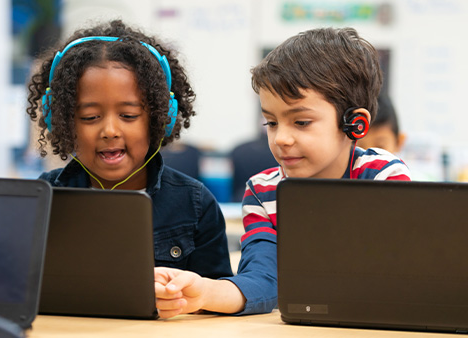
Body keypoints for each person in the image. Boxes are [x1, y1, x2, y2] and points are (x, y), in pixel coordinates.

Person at [154, 27, 411, 318]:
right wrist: (205, 292)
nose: (281, 139)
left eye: (301, 122)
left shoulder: (382, 176)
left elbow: (396, 274)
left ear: (355, 124)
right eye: (271, 123)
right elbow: (263, 279)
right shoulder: (263, 192)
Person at [25, 19, 232, 280]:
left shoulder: (195, 204)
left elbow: (216, 300)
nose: (110, 130)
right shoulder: (45, 197)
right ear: (63, 122)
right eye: (90, 117)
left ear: (161, 118)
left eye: (129, 115)